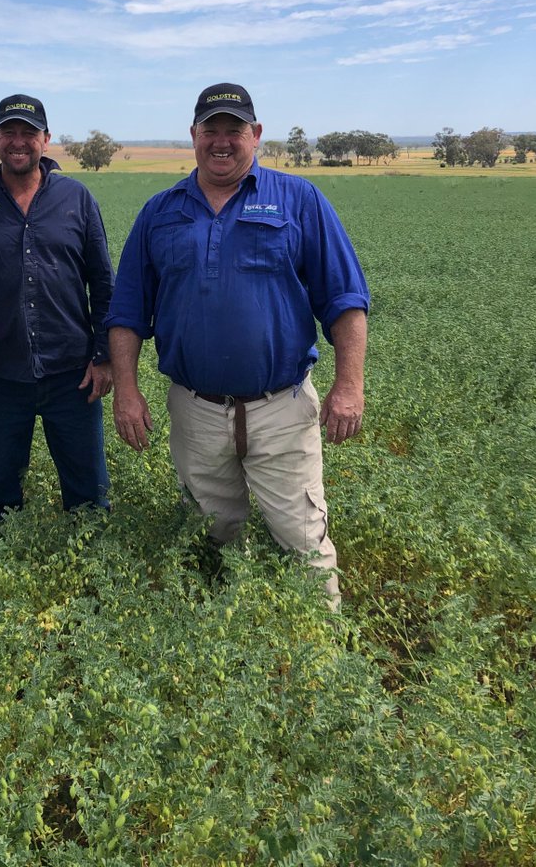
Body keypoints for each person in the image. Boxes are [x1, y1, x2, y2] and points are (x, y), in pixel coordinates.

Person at [106, 83, 368, 607]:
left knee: (302, 537)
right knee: (213, 533)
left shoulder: (298, 200)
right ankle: (227, 628)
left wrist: (349, 385)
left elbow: (344, 299)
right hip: (196, 410)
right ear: (193, 135)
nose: (221, 141)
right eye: (211, 130)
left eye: (234, 129)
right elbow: (128, 311)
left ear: (256, 134)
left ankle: (325, 640)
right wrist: (126, 392)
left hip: (281, 408)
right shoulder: (161, 212)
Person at [0, 94, 113, 516]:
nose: (18, 142)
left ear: (46, 140)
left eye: (29, 133)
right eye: (9, 132)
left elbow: (103, 284)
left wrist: (104, 358)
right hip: (1, 376)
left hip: (73, 376)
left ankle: (90, 552)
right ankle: (0, 550)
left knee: (88, 493)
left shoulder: (77, 199)